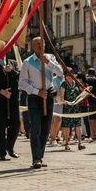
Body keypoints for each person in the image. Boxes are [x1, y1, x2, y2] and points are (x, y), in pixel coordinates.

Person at [19, 36, 63, 169]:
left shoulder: (50, 58)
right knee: (36, 128)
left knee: (45, 129)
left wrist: (48, 63)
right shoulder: (28, 62)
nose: (39, 46)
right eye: (37, 44)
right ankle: (36, 158)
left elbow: (60, 72)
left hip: (48, 97)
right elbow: (22, 83)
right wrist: (37, 91)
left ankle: (40, 155)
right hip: (35, 98)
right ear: (32, 47)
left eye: (41, 43)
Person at [0, 41, 21, 162]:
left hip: (12, 100)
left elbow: (20, 77)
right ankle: (1, 152)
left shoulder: (13, 63)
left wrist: (11, 71)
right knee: (0, 127)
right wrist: (2, 91)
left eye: (5, 50)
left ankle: (10, 147)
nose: (3, 52)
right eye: (0, 50)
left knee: (16, 123)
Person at [59, 74, 85, 151]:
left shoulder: (77, 82)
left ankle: (80, 143)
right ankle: (66, 143)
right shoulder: (64, 84)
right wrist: (65, 102)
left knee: (78, 125)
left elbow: (83, 91)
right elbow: (61, 97)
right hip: (67, 108)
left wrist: (87, 89)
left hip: (76, 107)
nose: (68, 77)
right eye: (67, 75)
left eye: (70, 75)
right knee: (66, 126)